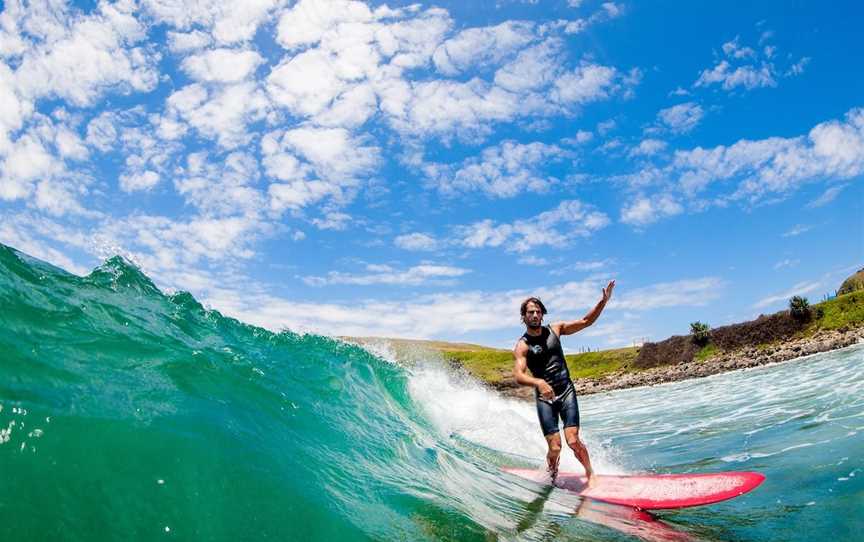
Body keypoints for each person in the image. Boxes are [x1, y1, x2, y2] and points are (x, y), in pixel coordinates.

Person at [512, 280, 615, 486]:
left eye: (538, 311)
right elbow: (519, 375)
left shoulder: (556, 330)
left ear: (542, 314)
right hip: (545, 397)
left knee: (573, 440)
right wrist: (539, 382)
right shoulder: (522, 345)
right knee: (555, 447)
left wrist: (603, 301)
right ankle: (552, 477)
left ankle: (590, 473)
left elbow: (586, 321)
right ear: (523, 317)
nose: (534, 315)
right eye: (530, 312)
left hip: (565, 390)